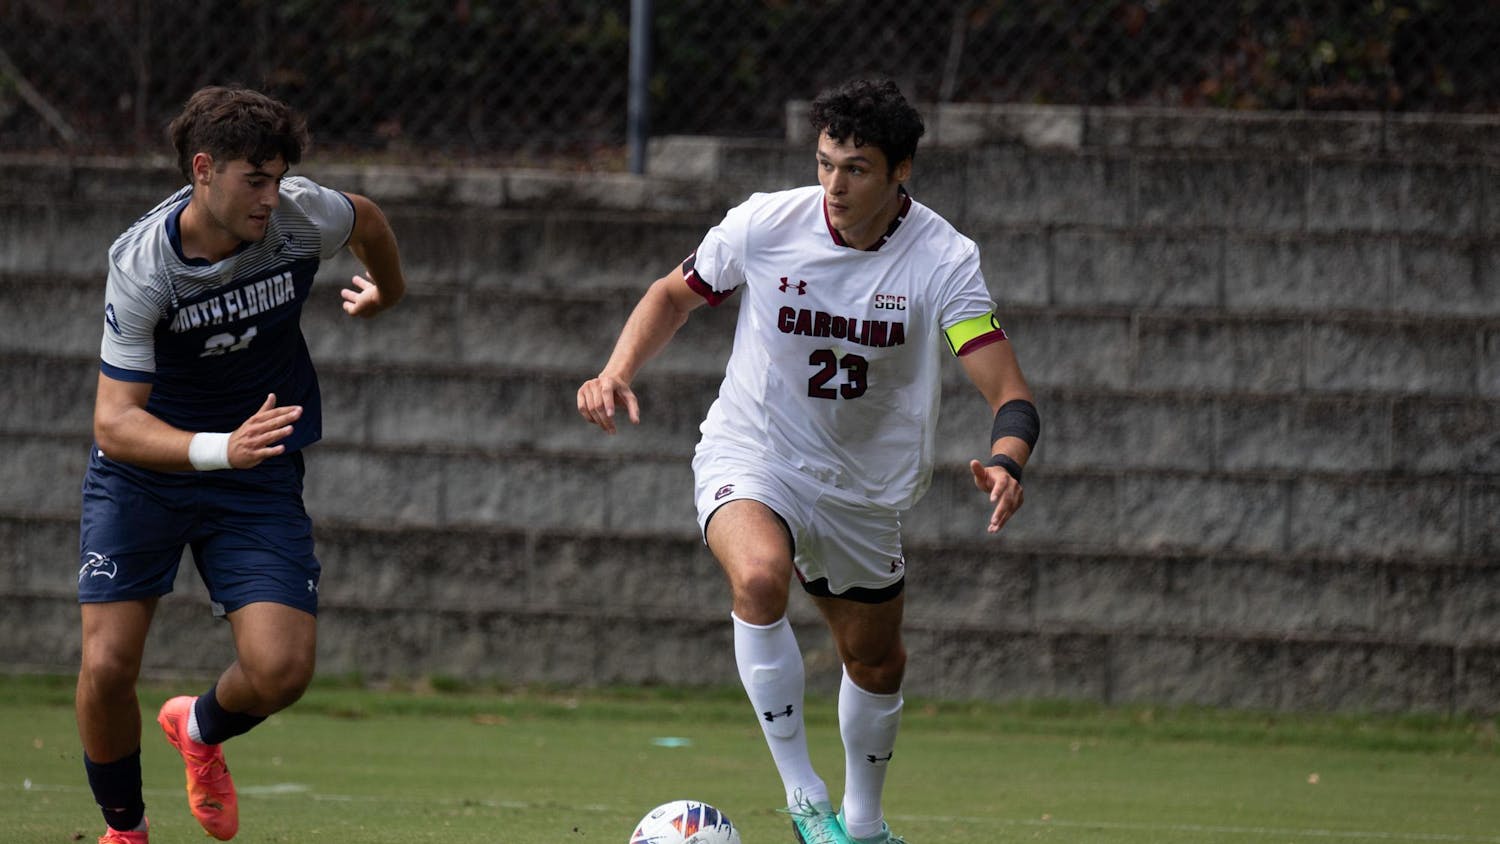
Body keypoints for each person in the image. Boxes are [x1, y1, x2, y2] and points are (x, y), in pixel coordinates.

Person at [577, 78, 1038, 844]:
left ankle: (862, 824)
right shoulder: (766, 222)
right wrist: (616, 370)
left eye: (856, 168)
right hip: (755, 450)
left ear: (901, 173)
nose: (834, 185)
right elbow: (670, 295)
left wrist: (1006, 460)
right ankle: (804, 799)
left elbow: (1008, 390)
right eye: (825, 163)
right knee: (758, 577)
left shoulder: (943, 259)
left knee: (877, 662)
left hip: (864, 488)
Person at [76, 85, 407, 844]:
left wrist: (386, 294)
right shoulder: (144, 264)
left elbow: (372, 222)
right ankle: (124, 829)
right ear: (203, 169)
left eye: (279, 175)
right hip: (146, 474)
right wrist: (216, 448)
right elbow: (114, 423)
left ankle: (198, 727)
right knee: (106, 667)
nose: (270, 195)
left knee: (283, 670)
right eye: (254, 179)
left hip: (254, 473)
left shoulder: (299, 214)